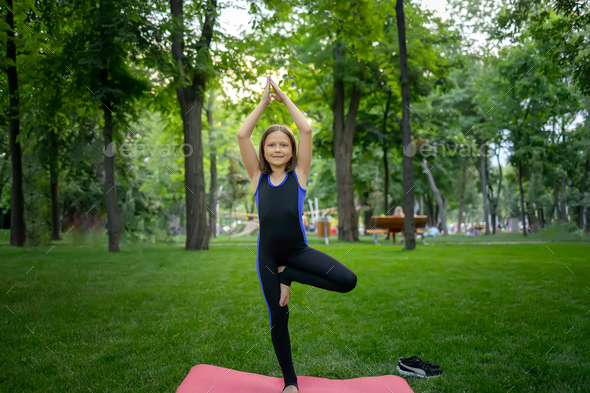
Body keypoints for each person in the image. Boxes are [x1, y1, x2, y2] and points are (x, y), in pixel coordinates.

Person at [237, 76, 358, 393]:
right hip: (266, 258)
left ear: (292, 152)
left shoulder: (299, 176)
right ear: (263, 149)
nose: (277, 148)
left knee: (347, 281)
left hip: (296, 254)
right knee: (278, 316)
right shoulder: (257, 177)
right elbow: (241, 134)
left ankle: (289, 274)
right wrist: (263, 103)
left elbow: (306, 129)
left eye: (283, 145)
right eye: (271, 144)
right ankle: (290, 381)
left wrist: (284, 97)